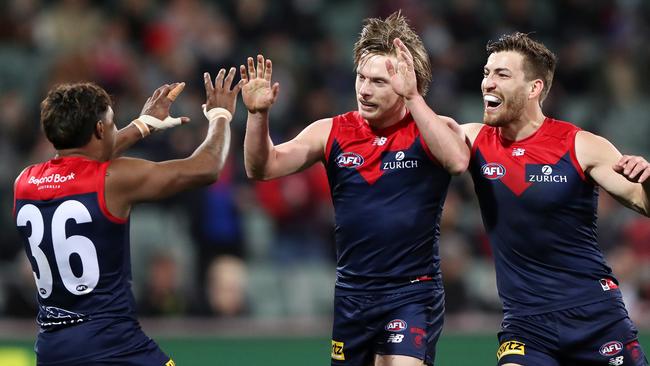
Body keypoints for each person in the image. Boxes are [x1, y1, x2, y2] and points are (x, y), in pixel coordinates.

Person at [241, 11, 469, 366]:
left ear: (409, 83)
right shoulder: (331, 131)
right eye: (361, 77)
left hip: (412, 291)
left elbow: (457, 161)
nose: (364, 90)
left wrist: (413, 99)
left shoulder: (432, 129)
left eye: (378, 81)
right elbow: (262, 167)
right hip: (353, 294)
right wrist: (257, 117)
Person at [13, 67, 242, 365]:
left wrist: (143, 125)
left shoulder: (25, 182)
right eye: (111, 123)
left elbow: (81, 161)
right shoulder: (114, 179)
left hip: (52, 349)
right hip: (115, 345)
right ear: (98, 129)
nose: (114, 129)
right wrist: (220, 116)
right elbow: (206, 167)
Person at [461, 32, 649, 366]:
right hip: (525, 323)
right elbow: (418, 139)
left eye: (502, 75)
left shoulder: (580, 145)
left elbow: (643, 203)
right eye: (486, 73)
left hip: (595, 315)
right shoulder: (473, 139)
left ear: (534, 88)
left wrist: (648, 181)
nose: (488, 83)